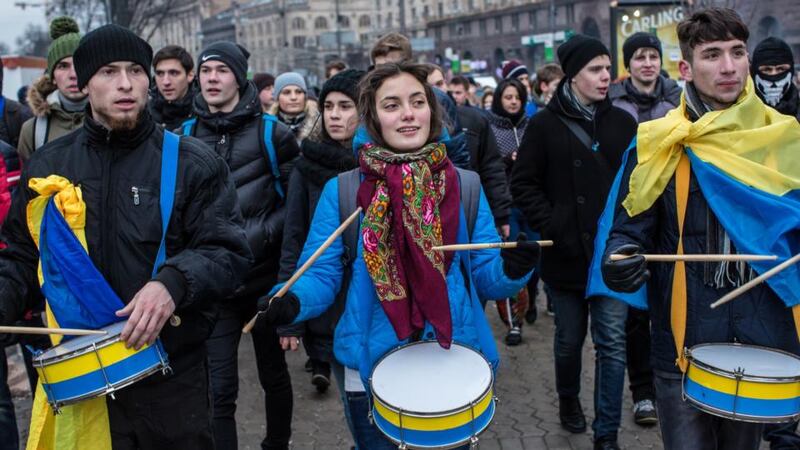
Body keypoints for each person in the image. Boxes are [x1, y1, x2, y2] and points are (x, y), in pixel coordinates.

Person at [257, 61, 538, 449]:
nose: (407, 113)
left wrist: (513, 268)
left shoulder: (466, 185)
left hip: (450, 356)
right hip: (370, 362)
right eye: (392, 105)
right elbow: (321, 273)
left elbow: (487, 271)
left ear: (431, 111)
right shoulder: (343, 191)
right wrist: (291, 301)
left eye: (417, 101)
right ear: (372, 119)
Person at [0, 24, 251, 449]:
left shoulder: (192, 162)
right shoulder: (47, 165)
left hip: (173, 376)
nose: (125, 84)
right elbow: (22, 259)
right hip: (83, 381)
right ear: (84, 82)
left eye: (136, 70)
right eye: (108, 72)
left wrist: (172, 283)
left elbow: (227, 251)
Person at [598, 8, 800, 450]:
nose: (728, 67)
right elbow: (628, 231)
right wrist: (620, 262)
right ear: (686, 67)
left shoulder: (784, 138)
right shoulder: (660, 141)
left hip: (762, 339)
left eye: (736, 52)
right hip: (684, 342)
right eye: (712, 55)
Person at [511, 35, 637, 450]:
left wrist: (627, 235)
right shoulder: (545, 125)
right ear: (573, 75)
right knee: (567, 341)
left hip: (609, 256)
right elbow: (524, 183)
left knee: (612, 345)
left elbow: (638, 186)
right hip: (564, 257)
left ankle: (607, 434)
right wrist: (554, 226)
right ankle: (568, 399)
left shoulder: (622, 123)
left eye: (607, 68)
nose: (606, 77)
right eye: (595, 70)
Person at [184, 40, 300, 450]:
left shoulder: (274, 134)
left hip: (263, 281)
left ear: (239, 77)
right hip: (214, 287)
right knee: (219, 387)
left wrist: (260, 233)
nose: (212, 78)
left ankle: (277, 444)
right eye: (205, 70)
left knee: (273, 376)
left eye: (221, 70)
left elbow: (296, 208)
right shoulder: (183, 136)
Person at [276, 68, 364, 435]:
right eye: (328, 106)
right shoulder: (306, 165)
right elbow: (293, 238)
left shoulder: (384, 163)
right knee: (358, 411)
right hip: (328, 304)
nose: (334, 115)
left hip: (378, 303)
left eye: (346, 106)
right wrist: (290, 313)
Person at [608, 31, 683, 427]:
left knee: (674, 308)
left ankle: (676, 382)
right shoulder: (613, 104)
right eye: (639, 57)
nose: (647, 63)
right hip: (632, 217)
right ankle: (643, 393)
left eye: (653, 55)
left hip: (672, 218)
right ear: (629, 64)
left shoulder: (679, 104)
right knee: (637, 313)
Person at [486, 78, 534, 344]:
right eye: (508, 97)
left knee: (534, 263)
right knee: (513, 259)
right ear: (499, 100)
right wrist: (507, 160)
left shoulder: (531, 125)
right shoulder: (491, 128)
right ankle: (513, 322)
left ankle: (531, 303)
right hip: (506, 205)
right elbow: (489, 166)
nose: (513, 101)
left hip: (532, 204)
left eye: (517, 97)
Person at [18, 17, 86, 164]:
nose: (73, 75)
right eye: (63, 66)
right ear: (52, 76)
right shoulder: (33, 131)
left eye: (80, 64)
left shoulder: (114, 119)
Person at [751, 36, 800, 121]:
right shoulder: (742, 109)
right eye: (766, 69)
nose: (774, 75)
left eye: (781, 69)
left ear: (791, 71)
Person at [149, 45, 196, 130]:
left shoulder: (205, 112)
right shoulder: (144, 115)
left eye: (174, 73)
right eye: (160, 74)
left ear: (190, 75)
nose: (166, 82)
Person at [269, 72, 319, 145]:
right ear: (277, 98)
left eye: (299, 92)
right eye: (286, 92)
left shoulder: (319, 126)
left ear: (305, 96)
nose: (293, 97)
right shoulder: (267, 127)